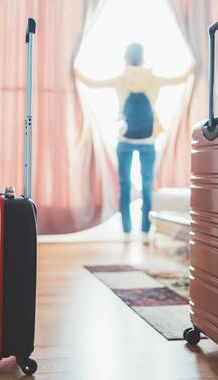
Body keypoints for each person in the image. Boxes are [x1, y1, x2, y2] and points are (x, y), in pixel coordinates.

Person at [75, 43, 194, 243]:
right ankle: (146, 230)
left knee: (124, 185)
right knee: (147, 185)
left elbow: (91, 83)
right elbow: (181, 78)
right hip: (148, 139)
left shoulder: (121, 79)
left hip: (125, 138)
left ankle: (126, 230)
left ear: (125, 58)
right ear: (143, 58)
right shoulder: (153, 79)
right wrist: (195, 63)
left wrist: (72, 68)